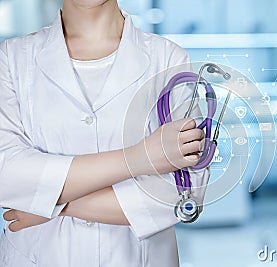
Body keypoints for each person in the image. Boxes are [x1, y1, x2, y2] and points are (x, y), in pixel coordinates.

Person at [0, 0, 209, 266]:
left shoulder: (167, 58)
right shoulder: (11, 58)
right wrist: (140, 157)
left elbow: (187, 191)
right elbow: (6, 173)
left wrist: (54, 205)